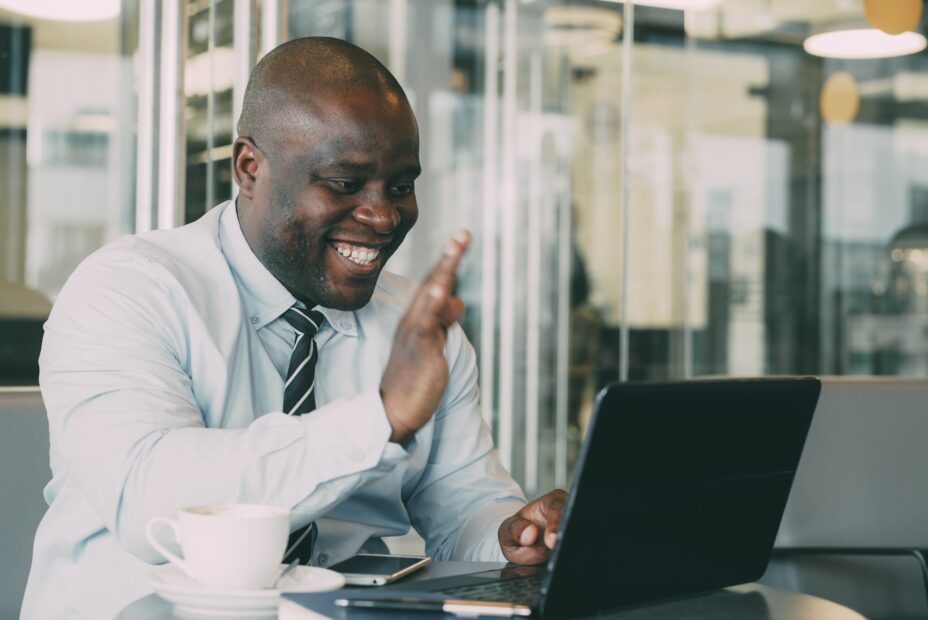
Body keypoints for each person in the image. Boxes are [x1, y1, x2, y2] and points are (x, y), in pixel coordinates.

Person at [21, 37, 566, 619]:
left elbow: (464, 509)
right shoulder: (128, 289)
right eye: (344, 183)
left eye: (401, 186)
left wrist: (511, 533)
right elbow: (154, 504)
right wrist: (379, 419)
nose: (383, 216)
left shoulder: (416, 326)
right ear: (250, 168)